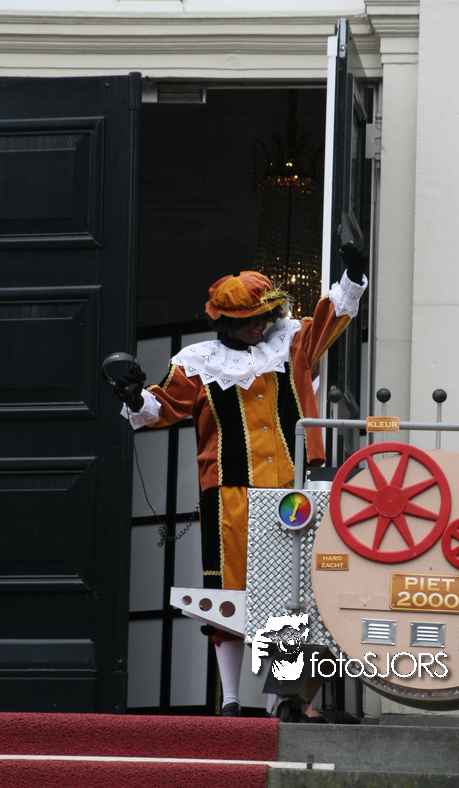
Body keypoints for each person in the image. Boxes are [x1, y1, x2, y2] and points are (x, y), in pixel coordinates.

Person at [116, 242, 368, 717]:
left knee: (291, 591)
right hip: (228, 492)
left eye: (263, 316)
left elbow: (331, 319)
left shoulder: (290, 342)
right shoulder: (197, 361)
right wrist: (134, 397)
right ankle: (231, 699)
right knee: (228, 589)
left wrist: (351, 276)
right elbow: (161, 407)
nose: (259, 325)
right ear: (225, 322)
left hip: (292, 489)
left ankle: (279, 700)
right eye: (249, 319)